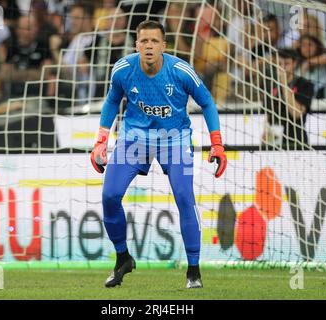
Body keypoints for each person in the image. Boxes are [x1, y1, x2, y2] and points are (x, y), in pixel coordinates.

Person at [90, 20, 227, 288]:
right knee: (109, 196)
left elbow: (207, 102)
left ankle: (193, 270)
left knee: (185, 197)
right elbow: (111, 102)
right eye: (144, 41)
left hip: (174, 140)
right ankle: (123, 259)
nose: (149, 46)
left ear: (164, 45)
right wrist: (100, 142)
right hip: (134, 139)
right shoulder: (123, 70)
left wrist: (217, 144)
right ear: (136, 44)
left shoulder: (180, 71)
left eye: (154, 41)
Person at [262, 48, 314, 150]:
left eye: (286, 63)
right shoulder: (271, 84)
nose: (282, 67)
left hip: (296, 141)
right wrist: (265, 132)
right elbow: (268, 114)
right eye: (279, 63)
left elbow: (296, 113)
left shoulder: (305, 84)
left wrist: (284, 84)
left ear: (294, 63)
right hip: (274, 140)